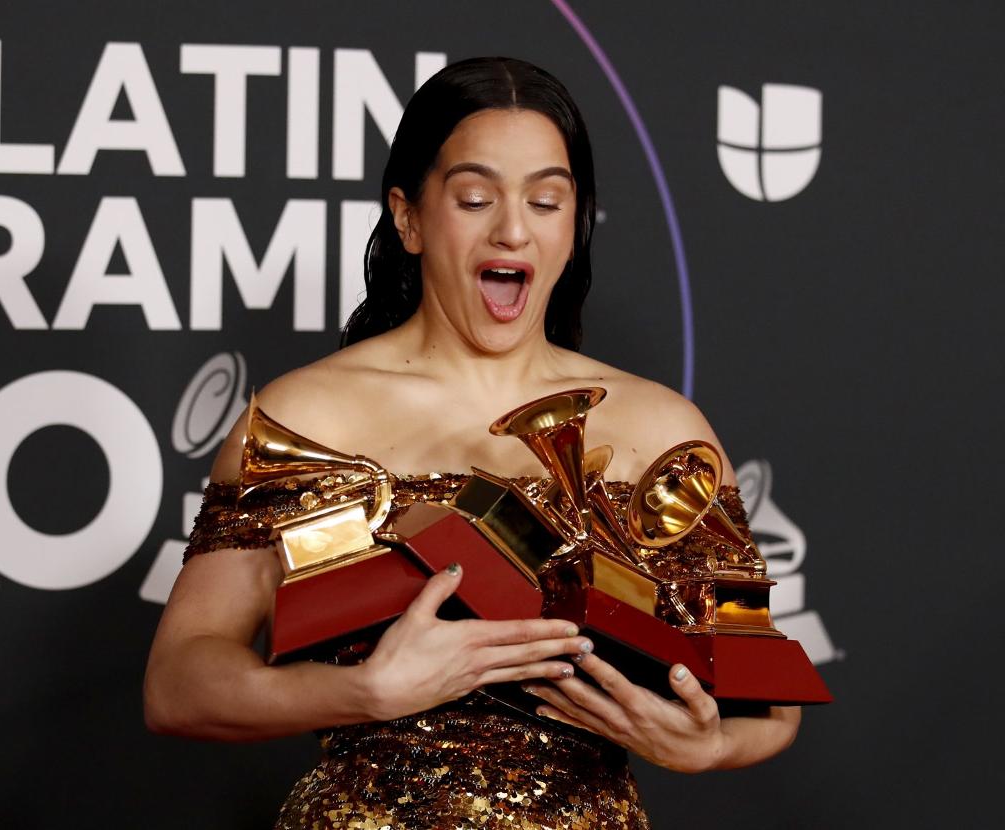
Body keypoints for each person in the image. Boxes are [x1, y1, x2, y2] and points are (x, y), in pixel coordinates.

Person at [144, 56, 800, 828]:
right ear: (409, 217)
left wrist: (706, 745)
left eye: (547, 200)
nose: (514, 228)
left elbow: (770, 699)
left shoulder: (664, 428)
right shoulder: (304, 420)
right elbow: (179, 682)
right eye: (476, 197)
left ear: (574, 224)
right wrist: (366, 692)